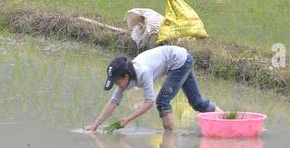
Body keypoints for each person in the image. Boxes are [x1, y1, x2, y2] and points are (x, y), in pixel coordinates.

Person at [85, 45, 217, 135]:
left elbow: (149, 102)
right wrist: (95, 126)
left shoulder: (143, 72)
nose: (116, 85)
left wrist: (127, 120)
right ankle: (227, 118)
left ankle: (169, 137)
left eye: (117, 81)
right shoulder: (125, 78)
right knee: (197, 103)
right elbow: (113, 101)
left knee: (162, 101)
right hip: (181, 58)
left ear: (126, 77)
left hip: (180, 62)